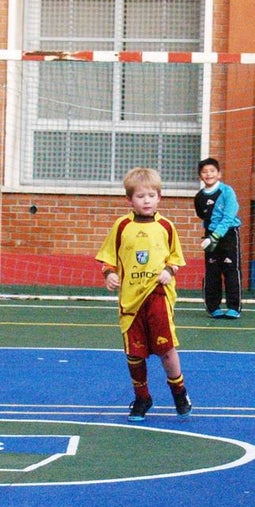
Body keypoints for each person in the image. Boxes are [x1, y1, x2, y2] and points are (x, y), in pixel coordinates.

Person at [96, 167, 192, 421]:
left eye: (151, 195)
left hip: (157, 296)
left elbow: (176, 258)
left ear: (159, 197)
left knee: (166, 349)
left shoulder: (166, 227)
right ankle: (142, 398)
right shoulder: (121, 226)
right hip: (130, 301)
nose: (146, 200)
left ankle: (179, 393)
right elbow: (108, 258)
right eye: (140, 196)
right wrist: (109, 274)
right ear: (129, 200)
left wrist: (169, 271)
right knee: (134, 353)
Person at [193, 157, 242, 319]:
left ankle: (234, 307)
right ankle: (213, 307)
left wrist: (215, 236)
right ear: (200, 176)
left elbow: (229, 216)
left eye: (212, 171)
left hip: (228, 235)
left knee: (230, 269)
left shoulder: (227, 191)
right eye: (205, 172)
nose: (209, 174)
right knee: (212, 270)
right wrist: (210, 235)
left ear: (219, 174)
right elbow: (203, 216)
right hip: (210, 236)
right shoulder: (199, 197)